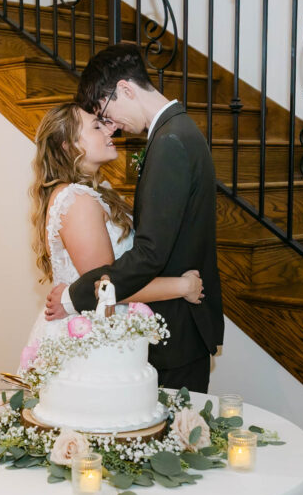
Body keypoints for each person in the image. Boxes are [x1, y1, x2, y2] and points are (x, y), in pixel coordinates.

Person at [44, 43, 223, 393]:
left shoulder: (169, 142)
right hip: (170, 326)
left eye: (105, 114)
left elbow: (150, 254)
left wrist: (73, 297)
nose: (112, 126)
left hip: (176, 331)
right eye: (99, 123)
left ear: (125, 89)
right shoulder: (178, 131)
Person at [24, 102, 204, 352]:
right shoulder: (77, 201)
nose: (109, 131)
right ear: (69, 145)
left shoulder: (95, 193)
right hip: (88, 340)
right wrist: (182, 287)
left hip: (108, 330)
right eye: (96, 127)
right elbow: (105, 288)